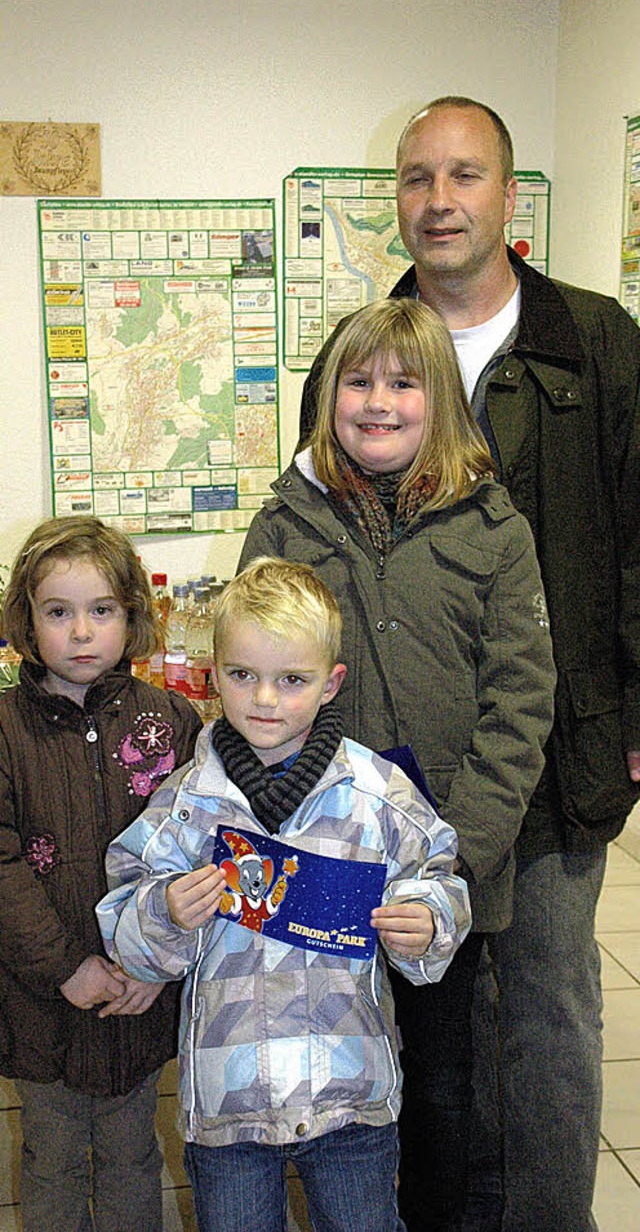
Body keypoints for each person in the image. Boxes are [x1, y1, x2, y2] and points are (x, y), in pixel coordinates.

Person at [297, 97, 640, 1232]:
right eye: (414, 178)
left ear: (507, 194)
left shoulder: (596, 341)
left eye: (463, 175)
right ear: (394, 199)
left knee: (544, 1004)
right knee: (426, 1012)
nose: (437, 201)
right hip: (395, 764)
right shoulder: (360, 351)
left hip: (557, 744)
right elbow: (314, 545)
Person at [238, 296, 557, 1230]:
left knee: (441, 1084)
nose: (378, 401)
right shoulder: (288, 525)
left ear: (442, 401)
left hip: (438, 874)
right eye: (358, 380)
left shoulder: (494, 531)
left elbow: (520, 705)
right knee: (325, 1080)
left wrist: (457, 860)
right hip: (316, 863)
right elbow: (251, 686)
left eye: (404, 383)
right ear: (328, 394)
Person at [97, 556, 472, 1232]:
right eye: (243, 676)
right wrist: (164, 912)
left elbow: (439, 874)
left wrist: (430, 921)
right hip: (229, 1105)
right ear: (214, 675)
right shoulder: (188, 803)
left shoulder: (375, 793)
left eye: (291, 681)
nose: (264, 700)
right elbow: (126, 915)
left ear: (331, 684)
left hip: (350, 1094)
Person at [0, 516, 202, 1232]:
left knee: (132, 1155)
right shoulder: (4, 728)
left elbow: (202, 848)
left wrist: (157, 964)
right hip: (42, 1004)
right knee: (51, 1159)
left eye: (101, 611)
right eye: (59, 613)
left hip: (138, 1004)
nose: (82, 633)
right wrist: (65, 967)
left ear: (131, 616)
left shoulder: (172, 720)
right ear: (26, 620)